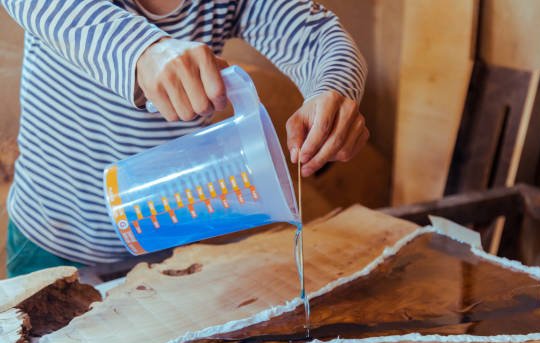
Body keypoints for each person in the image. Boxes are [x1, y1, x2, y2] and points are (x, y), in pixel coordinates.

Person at [1, 0, 369, 277]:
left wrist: (332, 90)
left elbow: (319, 38)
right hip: (51, 243)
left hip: (164, 243)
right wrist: (144, 51)